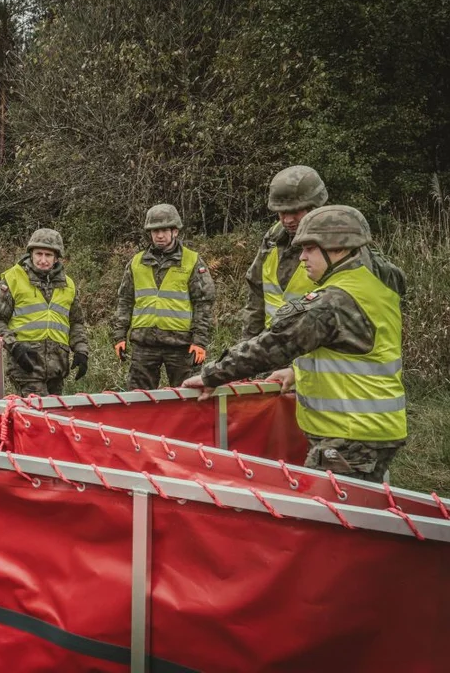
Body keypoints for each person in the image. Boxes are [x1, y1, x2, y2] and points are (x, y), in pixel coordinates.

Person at [184, 205, 407, 482]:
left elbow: (272, 346)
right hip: (374, 430)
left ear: (337, 248)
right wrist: (296, 372)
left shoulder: (331, 301)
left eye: (310, 249)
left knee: (328, 520)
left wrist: (211, 375)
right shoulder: (372, 287)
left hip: (348, 437)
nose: (302, 257)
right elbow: (357, 353)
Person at [111, 204, 215, 389]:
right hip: (144, 344)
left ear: (175, 231)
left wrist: (200, 341)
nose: (159, 235)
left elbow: (203, 303)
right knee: (138, 400)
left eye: (164, 230)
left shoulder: (191, 261)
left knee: (188, 398)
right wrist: (119, 335)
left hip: (181, 345)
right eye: (155, 231)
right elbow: (125, 301)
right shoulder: (136, 262)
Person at [0, 228, 89, 396]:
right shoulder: (13, 278)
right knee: (37, 416)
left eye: (48, 255)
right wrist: (15, 348)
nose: (42, 260)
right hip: (26, 366)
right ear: (31, 253)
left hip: (57, 366)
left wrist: (81, 350)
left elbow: (76, 322)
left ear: (56, 257)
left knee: (54, 417)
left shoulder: (68, 285)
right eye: (38, 254)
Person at [241, 165, 328, 339]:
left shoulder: (338, 242)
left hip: (314, 353)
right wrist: (247, 346)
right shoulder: (273, 238)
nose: (287, 220)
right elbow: (256, 295)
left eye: (295, 211)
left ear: (315, 206)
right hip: (271, 346)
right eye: (282, 212)